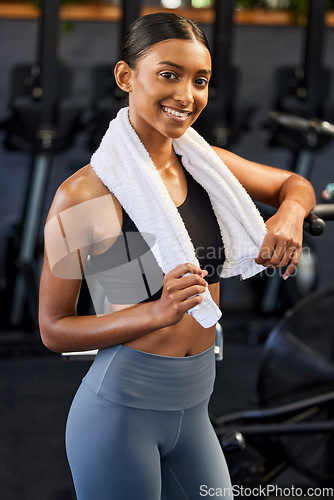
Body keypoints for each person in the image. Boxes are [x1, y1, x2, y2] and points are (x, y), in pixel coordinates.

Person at [38, 12, 316, 500]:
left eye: (200, 80)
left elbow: (295, 184)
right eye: (169, 74)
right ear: (127, 77)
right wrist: (157, 312)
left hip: (194, 409)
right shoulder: (84, 196)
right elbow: (54, 328)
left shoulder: (208, 168)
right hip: (120, 413)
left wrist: (289, 215)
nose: (187, 95)